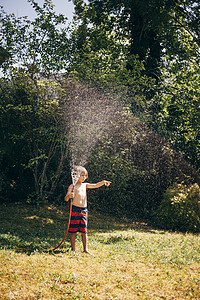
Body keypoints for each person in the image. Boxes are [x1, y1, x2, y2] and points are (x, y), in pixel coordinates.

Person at [65, 166, 111, 255]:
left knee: (84, 230)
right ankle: (73, 249)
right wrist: (69, 196)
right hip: (75, 209)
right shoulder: (72, 186)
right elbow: (66, 199)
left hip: (84, 210)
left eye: (84, 176)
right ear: (76, 176)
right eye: (81, 175)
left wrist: (103, 182)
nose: (83, 177)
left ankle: (85, 249)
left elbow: (95, 185)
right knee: (73, 230)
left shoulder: (85, 185)